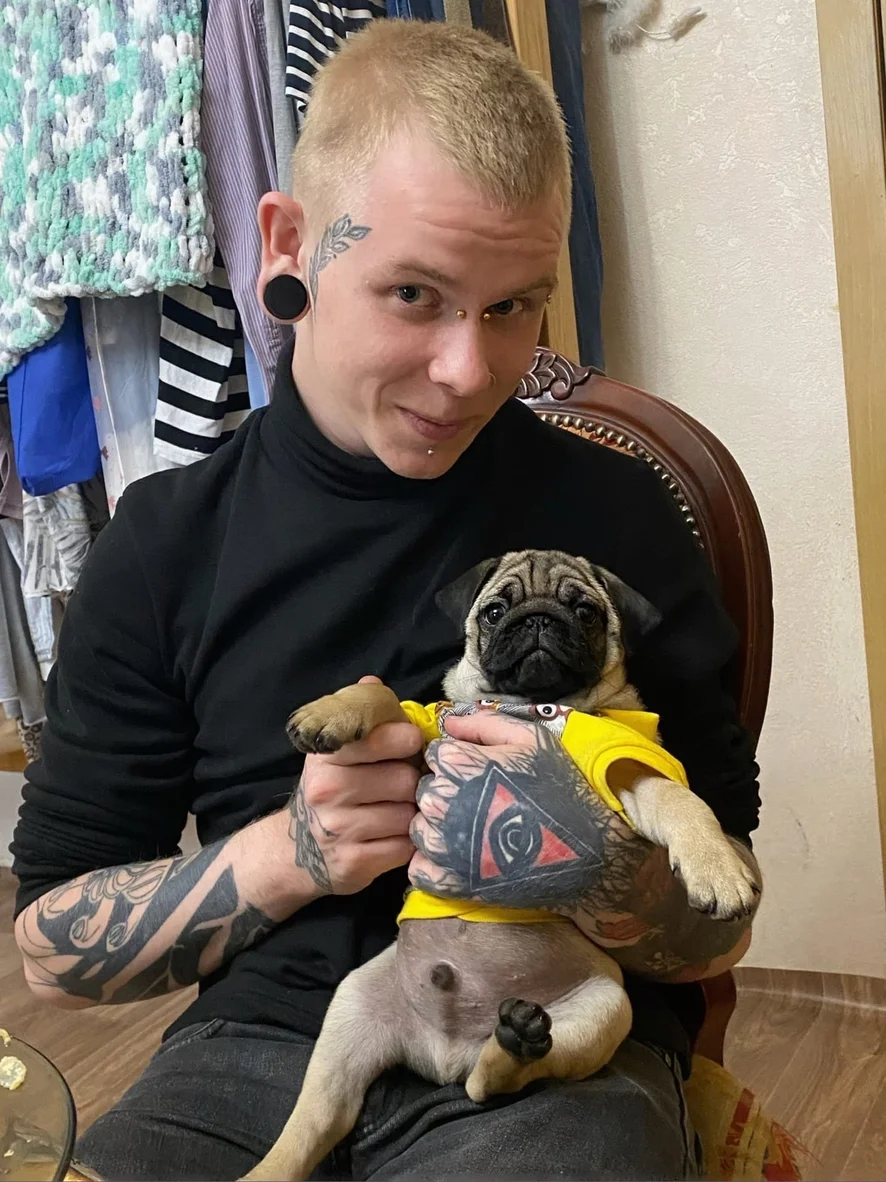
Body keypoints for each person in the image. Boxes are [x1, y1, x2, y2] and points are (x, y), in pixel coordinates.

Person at [11, 20, 760, 1181]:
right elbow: (51, 953)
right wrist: (296, 853)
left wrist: (604, 875)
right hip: (253, 1054)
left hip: (548, 1048)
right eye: (415, 293)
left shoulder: (618, 514)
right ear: (288, 244)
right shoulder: (162, 545)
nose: (469, 370)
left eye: (513, 307)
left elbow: (725, 921)